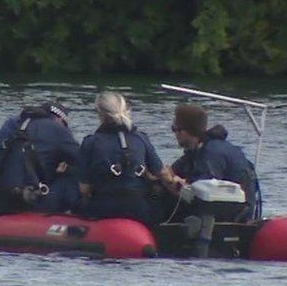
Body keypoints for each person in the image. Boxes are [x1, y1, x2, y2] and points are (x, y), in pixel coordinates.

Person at [165, 103, 260, 256]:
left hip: (232, 216)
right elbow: (172, 170)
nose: (174, 134)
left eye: (176, 129)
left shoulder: (211, 153)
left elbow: (203, 194)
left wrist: (172, 182)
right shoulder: (197, 150)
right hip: (228, 211)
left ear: (189, 131)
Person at [77, 91, 169, 225]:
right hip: (138, 209)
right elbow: (161, 173)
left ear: (100, 114)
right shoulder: (141, 138)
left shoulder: (91, 142)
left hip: (104, 209)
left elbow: (84, 189)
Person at [0, 100, 81, 217]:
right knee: (71, 176)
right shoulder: (58, 130)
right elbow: (84, 161)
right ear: (58, 119)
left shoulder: (10, 123)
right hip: (31, 202)